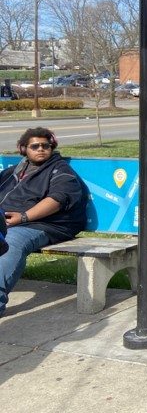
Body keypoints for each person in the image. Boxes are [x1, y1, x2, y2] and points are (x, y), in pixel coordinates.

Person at [0, 127, 87, 317]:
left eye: (45, 145)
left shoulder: (61, 171)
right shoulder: (11, 173)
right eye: (35, 146)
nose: (41, 149)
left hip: (46, 225)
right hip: (8, 222)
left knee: (10, 242)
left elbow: (57, 200)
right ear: (23, 149)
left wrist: (23, 217)